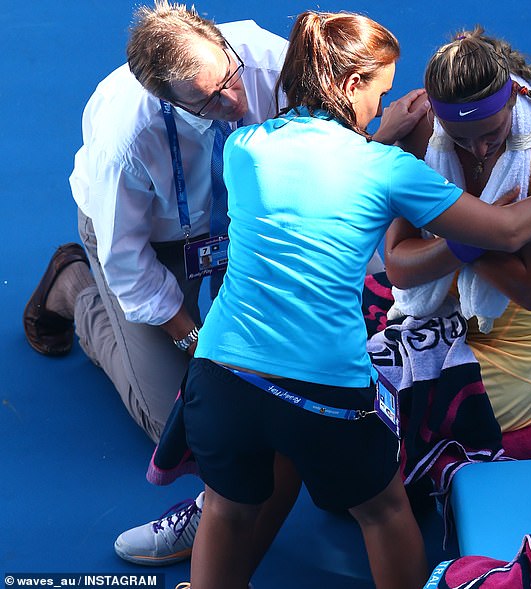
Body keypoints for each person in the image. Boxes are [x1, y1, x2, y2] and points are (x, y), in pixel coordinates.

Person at [167, 10, 531, 588]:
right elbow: (508, 232)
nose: (385, 104)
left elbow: (324, 177)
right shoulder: (386, 168)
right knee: (383, 509)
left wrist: (381, 136)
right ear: (351, 85)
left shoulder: (244, 147)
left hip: (219, 373)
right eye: (381, 90)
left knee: (227, 503)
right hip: (321, 388)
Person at [21, 0, 293, 565]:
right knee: (178, 420)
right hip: (152, 241)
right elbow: (128, 260)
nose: (235, 102)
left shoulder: (267, 59)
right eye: (208, 101)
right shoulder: (128, 141)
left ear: (219, 42)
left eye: (230, 79)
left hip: (245, 217)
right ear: (167, 99)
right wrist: (194, 342)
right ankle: (74, 289)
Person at [384, 26, 531, 433]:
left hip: (519, 355)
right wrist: (482, 232)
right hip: (436, 323)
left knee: (392, 421)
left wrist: (450, 231)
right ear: (437, 117)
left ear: (513, 96)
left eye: (491, 135)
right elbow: (397, 267)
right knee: (333, 402)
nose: (477, 150)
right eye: (458, 138)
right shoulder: (421, 127)